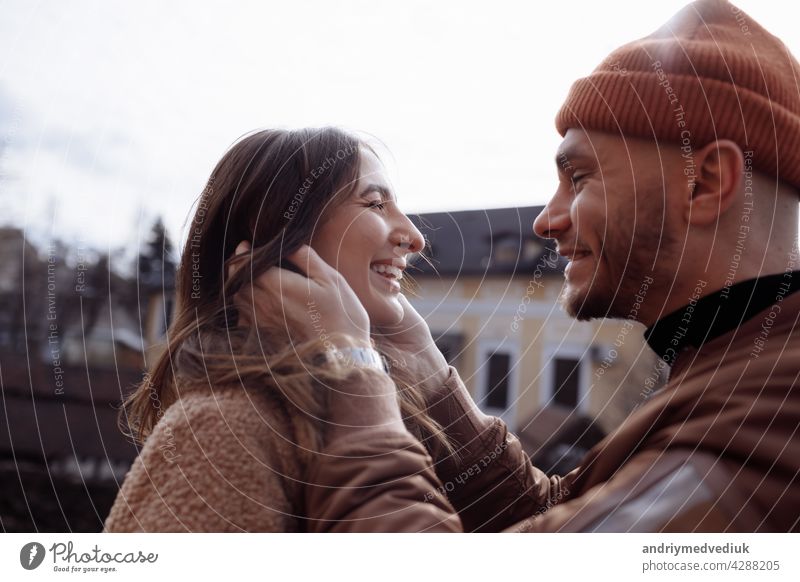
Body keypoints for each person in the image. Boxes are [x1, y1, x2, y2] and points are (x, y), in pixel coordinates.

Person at [283, 0, 800, 531]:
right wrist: (418, 353)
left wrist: (354, 379)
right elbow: (549, 519)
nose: (545, 222)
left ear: (707, 182)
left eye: (579, 179)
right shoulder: (727, 371)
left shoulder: (768, 411)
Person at [103, 127, 461, 532]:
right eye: (376, 203)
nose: (416, 239)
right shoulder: (223, 430)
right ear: (281, 232)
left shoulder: (387, 417)